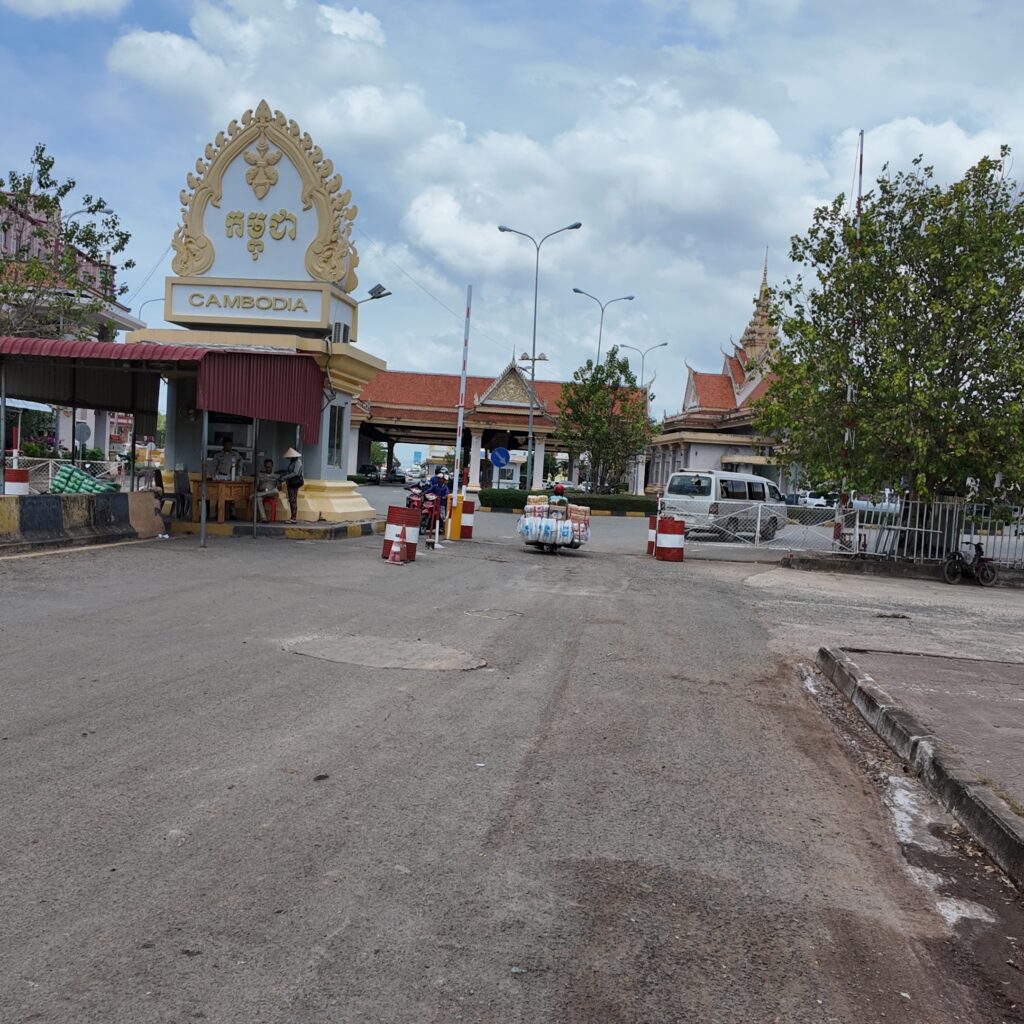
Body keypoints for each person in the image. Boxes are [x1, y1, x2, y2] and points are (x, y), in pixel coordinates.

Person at [210, 439, 242, 519]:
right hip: (220, 477)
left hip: (231, 477)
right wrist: (213, 476)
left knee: (231, 495)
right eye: (227, 445)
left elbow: (240, 461)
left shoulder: (235, 454)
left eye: (230, 445)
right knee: (220, 495)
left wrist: (238, 469)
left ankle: (232, 513)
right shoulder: (218, 455)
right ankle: (218, 513)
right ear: (223, 445)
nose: (228, 446)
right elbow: (213, 467)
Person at [279, 446, 304, 523]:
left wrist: (285, 477)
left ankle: (293, 518)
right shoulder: (292, 462)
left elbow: (295, 473)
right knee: (291, 499)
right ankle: (292, 517)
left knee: (293, 500)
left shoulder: (298, 462)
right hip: (290, 482)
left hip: (294, 482)